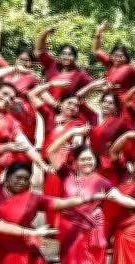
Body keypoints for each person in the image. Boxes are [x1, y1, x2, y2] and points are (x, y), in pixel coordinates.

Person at [28, 81, 94, 227]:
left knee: (64, 197)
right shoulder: (49, 116)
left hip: (66, 168)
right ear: (60, 104)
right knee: (50, 196)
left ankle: (62, 227)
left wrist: (77, 142)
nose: (73, 107)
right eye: (69, 103)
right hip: (47, 165)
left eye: (76, 105)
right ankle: (53, 227)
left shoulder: (79, 124)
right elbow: (31, 94)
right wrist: (52, 84)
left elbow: (79, 143)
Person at [0, 25, 41, 143]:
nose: (23, 62)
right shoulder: (7, 70)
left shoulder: (33, 78)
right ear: (16, 59)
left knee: (23, 145)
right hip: (4, 113)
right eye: (21, 59)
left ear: (31, 63)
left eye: (27, 60)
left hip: (24, 117)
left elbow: (41, 96)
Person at [34, 27, 94, 100]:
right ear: (59, 56)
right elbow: (39, 50)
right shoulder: (52, 64)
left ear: (75, 58)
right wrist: (45, 33)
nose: (66, 57)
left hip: (67, 106)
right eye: (64, 54)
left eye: (70, 54)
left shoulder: (80, 73)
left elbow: (93, 85)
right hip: (46, 104)